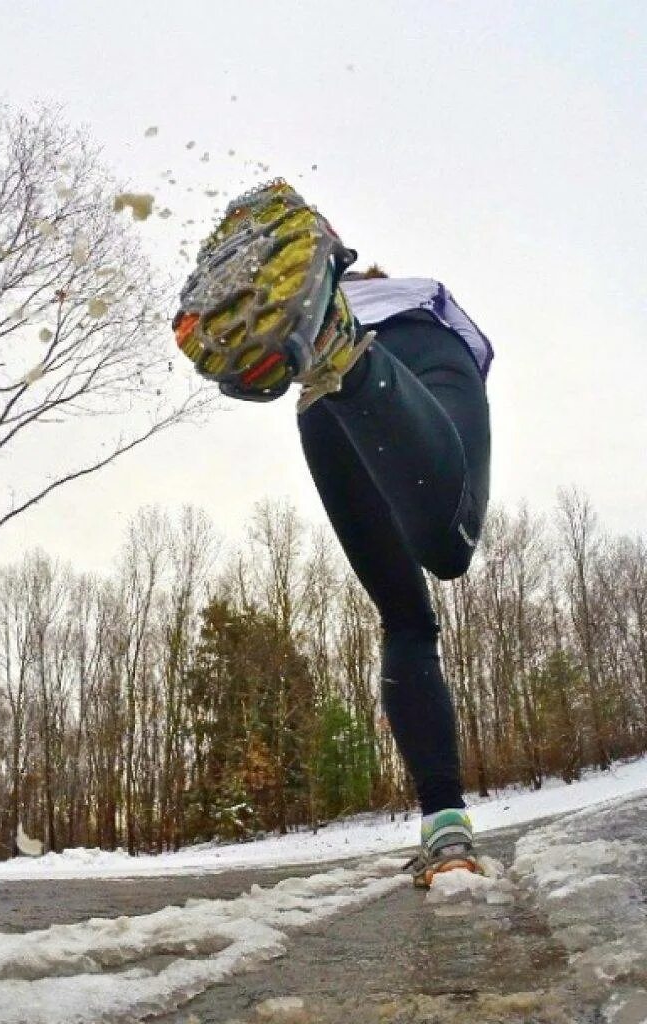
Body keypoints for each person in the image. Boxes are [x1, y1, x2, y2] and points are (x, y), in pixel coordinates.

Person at [173, 180, 492, 888]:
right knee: (449, 543)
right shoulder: (420, 295)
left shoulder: (325, 291)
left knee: (406, 619)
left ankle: (445, 830)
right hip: (419, 350)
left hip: (316, 398)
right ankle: (345, 351)